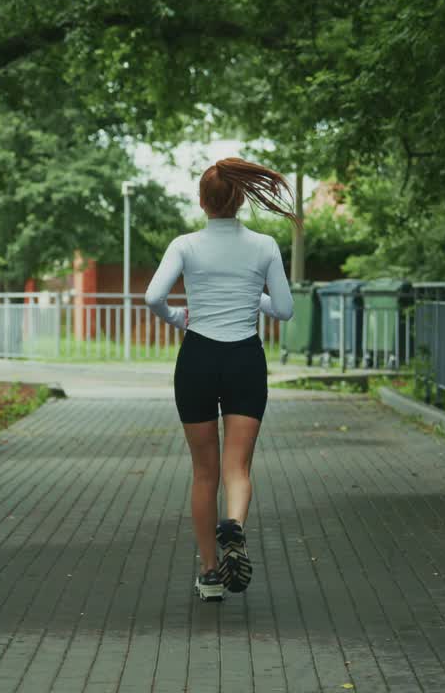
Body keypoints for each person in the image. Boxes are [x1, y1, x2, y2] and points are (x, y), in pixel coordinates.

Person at [144, 157, 297, 602]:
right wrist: (254, 298)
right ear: (241, 199)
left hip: (197, 357)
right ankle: (234, 526)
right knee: (237, 467)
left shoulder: (186, 245)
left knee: (203, 472)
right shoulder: (264, 245)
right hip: (245, 360)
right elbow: (284, 310)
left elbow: (153, 296)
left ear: (201, 200)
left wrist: (176, 317)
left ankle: (210, 573)